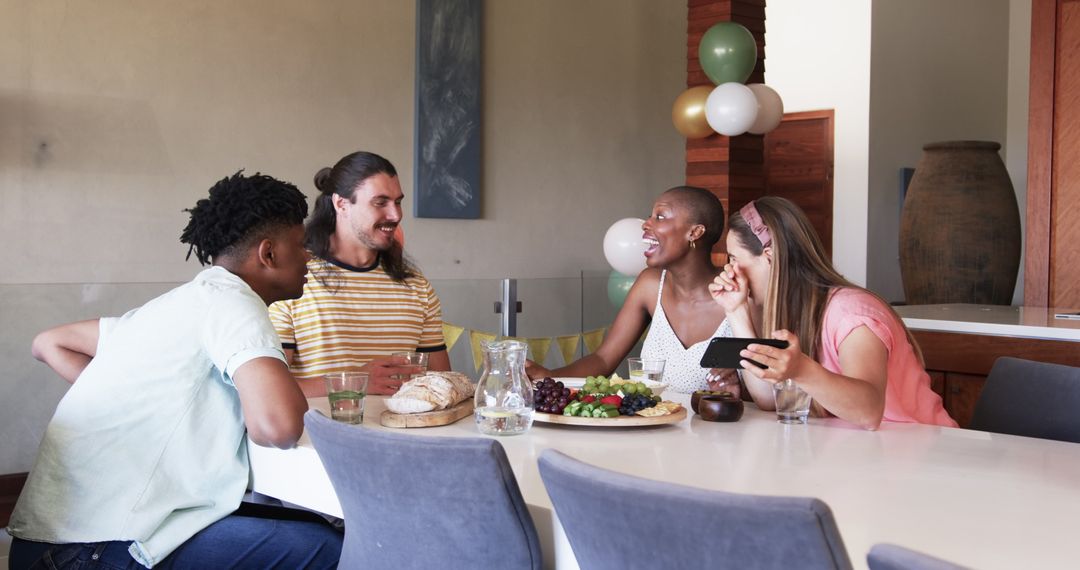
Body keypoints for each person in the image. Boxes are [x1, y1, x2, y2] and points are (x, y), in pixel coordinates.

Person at [7, 172, 342, 569]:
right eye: (302, 245)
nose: (310, 257)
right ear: (268, 254)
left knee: (298, 528)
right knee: (326, 546)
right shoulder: (235, 304)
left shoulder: (170, 307)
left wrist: (140, 408)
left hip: (41, 547)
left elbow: (48, 342)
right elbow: (277, 427)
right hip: (91, 550)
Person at [709, 196, 957, 429]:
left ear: (770, 257)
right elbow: (768, 399)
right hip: (858, 453)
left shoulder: (851, 313)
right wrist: (736, 311)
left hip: (922, 450)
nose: (729, 270)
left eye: (733, 258)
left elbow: (868, 412)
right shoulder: (789, 310)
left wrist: (801, 369)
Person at [269, 151, 450, 397]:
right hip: (320, 436)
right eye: (380, 202)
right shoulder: (294, 281)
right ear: (341, 204)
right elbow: (271, 391)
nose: (396, 215)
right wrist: (355, 380)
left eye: (397, 201)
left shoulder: (418, 287)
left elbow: (442, 385)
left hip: (404, 435)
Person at [526, 186, 735, 393]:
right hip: (653, 422)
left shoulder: (738, 293)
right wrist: (548, 377)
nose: (646, 224)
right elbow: (603, 358)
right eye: (650, 216)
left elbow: (762, 388)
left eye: (660, 217)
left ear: (695, 232)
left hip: (721, 426)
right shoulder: (650, 285)